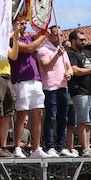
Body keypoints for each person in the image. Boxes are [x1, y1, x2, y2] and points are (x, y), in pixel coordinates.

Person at [37, 24, 75, 157]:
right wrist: (57, 55)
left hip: (63, 87)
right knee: (51, 117)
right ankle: (50, 146)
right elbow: (46, 67)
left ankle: (61, 146)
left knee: (63, 118)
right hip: (50, 88)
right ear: (49, 36)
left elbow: (70, 67)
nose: (59, 37)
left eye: (61, 35)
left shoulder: (63, 51)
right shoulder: (43, 50)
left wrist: (69, 73)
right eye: (56, 35)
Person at [10, 21, 44, 158]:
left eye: (25, 23)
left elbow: (40, 33)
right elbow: (30, 48)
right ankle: (17, 147)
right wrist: (44, 36)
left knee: (38, 113)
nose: (23, 25)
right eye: (20, 23)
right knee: (22, 114)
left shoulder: (29, 37)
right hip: (21, 80)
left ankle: (36, 148)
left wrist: (44, 26)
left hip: (36, 79)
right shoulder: (12, 40)